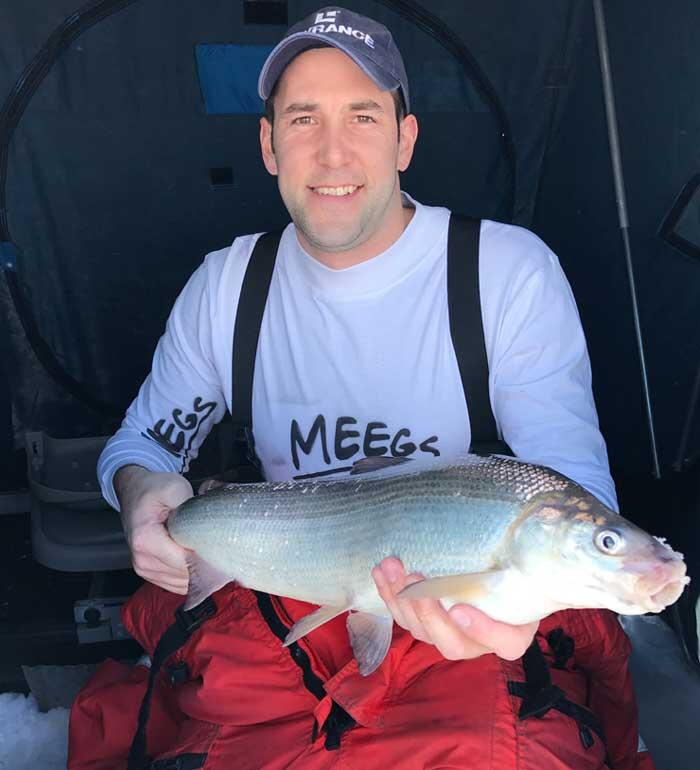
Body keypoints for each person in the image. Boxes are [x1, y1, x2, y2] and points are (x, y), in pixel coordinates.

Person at [69, 7, 652, 770]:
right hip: (286, 604)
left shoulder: (505, 272)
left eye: (363, 116)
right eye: (303, 119)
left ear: (405, 139)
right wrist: (141, 494)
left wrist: (516, 610)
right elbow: (139, 447)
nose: (333, 151)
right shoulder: (227, 287)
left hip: (465, 619)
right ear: (269, 145)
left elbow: (574, 493)